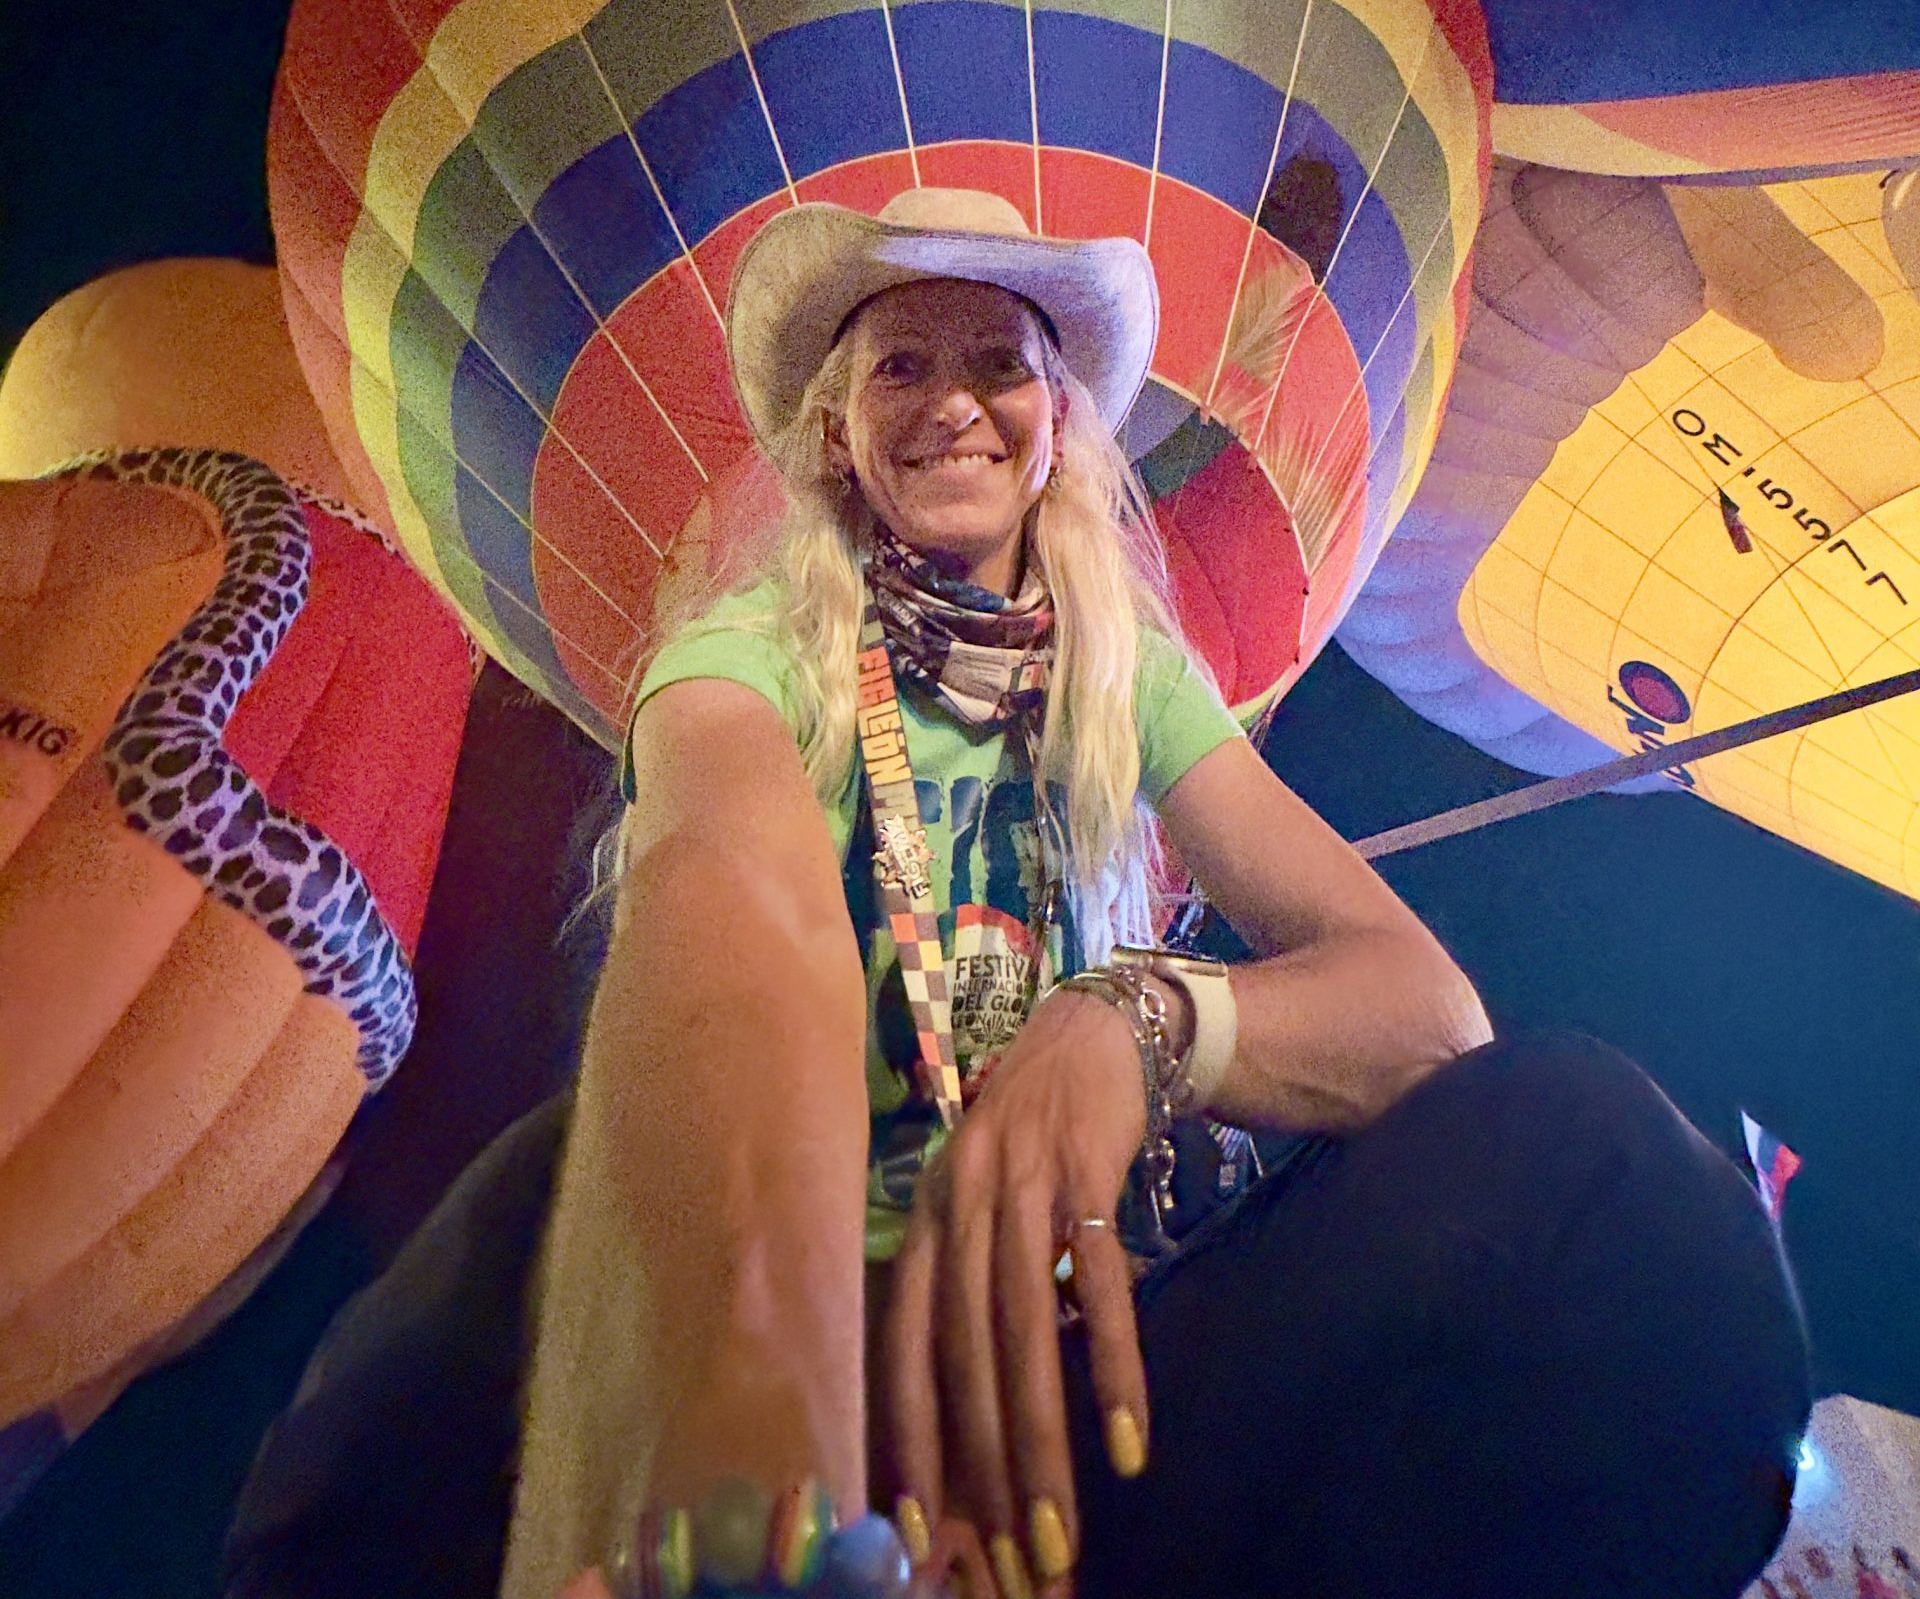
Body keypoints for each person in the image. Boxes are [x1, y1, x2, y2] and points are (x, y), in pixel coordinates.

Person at [228, 192, 1810, 1599]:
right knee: (480, 1267)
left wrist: (1139, 1019)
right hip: (788, 1322)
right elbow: (730, 888)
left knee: (1605, 1169)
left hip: (1082, 1351)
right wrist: (773, 1467)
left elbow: (1427, 1013)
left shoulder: (1131, 684)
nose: (952, 404)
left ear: (1057, 422)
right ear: (836, 432)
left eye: (998, 361)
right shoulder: (748, 654)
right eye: (899, 367)